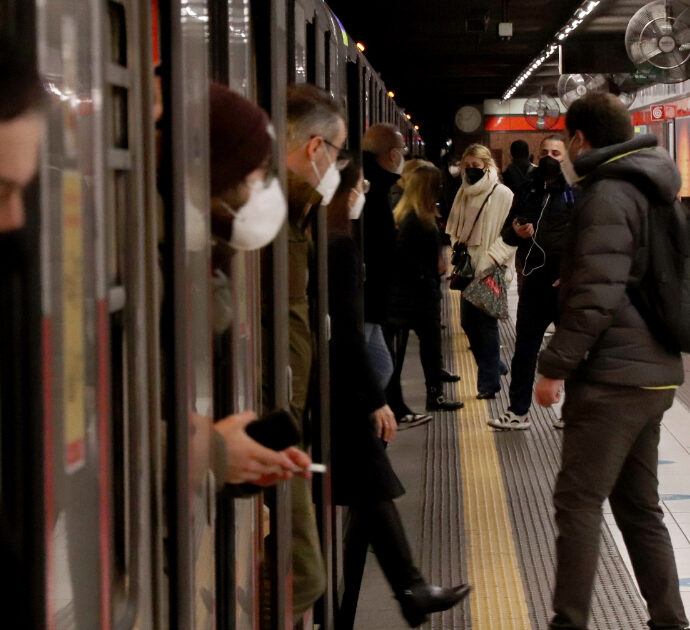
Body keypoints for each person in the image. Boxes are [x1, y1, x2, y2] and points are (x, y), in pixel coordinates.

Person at [534, 93, 688, 630]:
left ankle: (568, 622)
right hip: (652, 374)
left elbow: (596, 296)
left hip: (612, 379)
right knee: (638, 506)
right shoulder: (655, 188)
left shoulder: (607, 193)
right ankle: (670, 619)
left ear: (579, 139)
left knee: (577, 504)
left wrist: (555, 365)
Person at [326, 159, 470, 629]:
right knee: (369, 481)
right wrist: (377, 399)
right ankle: (407, 591)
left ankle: (406, 591)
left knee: (369, 487)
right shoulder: (340, 247)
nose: (364, 190)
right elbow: (347, 338)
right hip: (337, 390)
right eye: (358, 184)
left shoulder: (315, 236)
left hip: (329, 386)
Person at [207, 83, 313, 486]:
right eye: (257, 173)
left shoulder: (213, 261)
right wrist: (215, 453)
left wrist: (234, 460)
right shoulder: (169, 270)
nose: (264, 188)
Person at [284, 83, 349, 615]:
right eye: (337, 153)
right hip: (275, 421)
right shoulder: (281, 216)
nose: (338, 168)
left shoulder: (294, 211)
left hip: (284, 413)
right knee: (303, 576)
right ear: (315, 148)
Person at [488, 134, 577, 431]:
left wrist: (575, 270)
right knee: (524, 349)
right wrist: (517, 232)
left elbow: (590, 234)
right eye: (546, 152)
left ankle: (572, 413)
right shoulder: (528, 190)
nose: (551, 157)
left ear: (566, 157)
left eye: (557, 152)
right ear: (537, 156)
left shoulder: (577, 192)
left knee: (571, 350)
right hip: (534, 283)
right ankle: (517, 411)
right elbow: (507, 232)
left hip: (566, 285)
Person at [389, 164, 464, 412]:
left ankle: (416, 397)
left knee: (418, 349)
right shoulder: (416, 219)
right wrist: (426, 275)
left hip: (411, 293)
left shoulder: (411, 215)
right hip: (418, 295)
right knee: (429, 346)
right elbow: (404, 255)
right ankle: (433, 396)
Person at [446, 143, 516, 399]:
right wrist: (457, 246)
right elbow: (454, 226)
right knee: (467, 323)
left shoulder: (503, 194)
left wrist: (492, 260)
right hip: (468, 268)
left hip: (491, 268)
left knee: (486, 326)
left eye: (477, 166)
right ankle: (494, 365)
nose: (472, 170)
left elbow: (510, 235)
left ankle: (488, 384)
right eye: (468, 166)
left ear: (487, 166)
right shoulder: (463, 192)